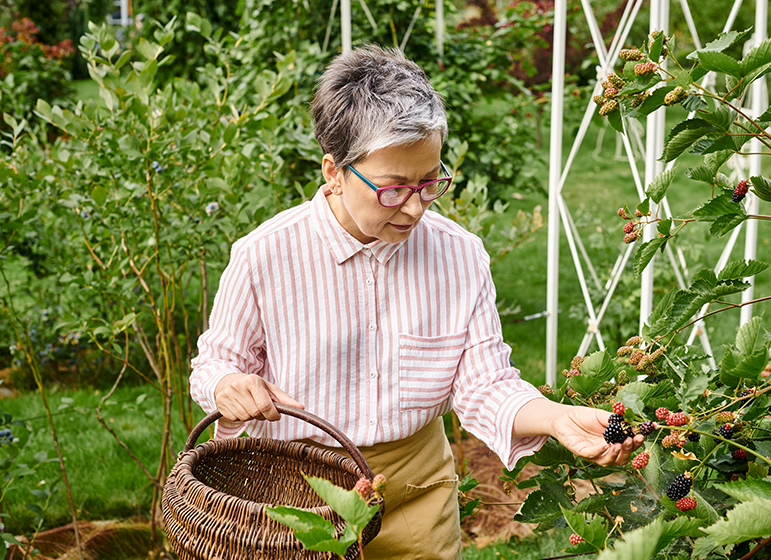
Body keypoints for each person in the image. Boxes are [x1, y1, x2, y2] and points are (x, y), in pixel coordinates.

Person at [190, 45, 644, 559]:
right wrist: (229, 385)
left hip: (414, 491)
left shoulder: (458, 255)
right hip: (297, 494)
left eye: (430, 183)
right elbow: (215, 366)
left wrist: (556, 418)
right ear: (333, 172)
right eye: (394, 188)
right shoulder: (264, 256)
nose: (414, 207)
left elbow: (485, 384)